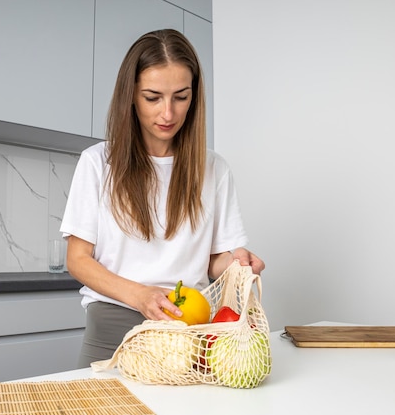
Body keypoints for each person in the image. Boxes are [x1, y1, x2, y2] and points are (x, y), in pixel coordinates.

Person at [60, 29, 264, 368]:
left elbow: (213, 261)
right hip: (113, 327)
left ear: (194, 97)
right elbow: (78, 259)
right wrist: (141, 296)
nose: (168, 114)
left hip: (192, 329)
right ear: (131, 96)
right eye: (153, 97)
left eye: (180, 97)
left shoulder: (214, 169)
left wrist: (236, 263)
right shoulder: (97, 163)